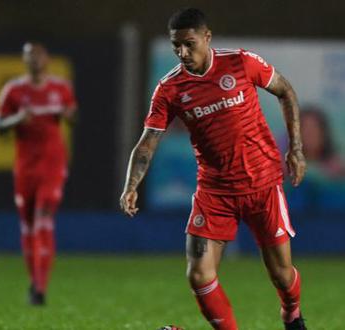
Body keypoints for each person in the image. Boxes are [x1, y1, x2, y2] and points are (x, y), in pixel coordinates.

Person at [120, 8, 307, 330]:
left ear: (207, 37)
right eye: (175, 46)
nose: (182, 52)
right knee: (198, 273)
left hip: (262, 183)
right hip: (214, 192)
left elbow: (286, 91)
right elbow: (148, 141)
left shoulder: (241, 62)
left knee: (281, 273)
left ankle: (291, 313)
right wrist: (131, 184)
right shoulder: (170, 89)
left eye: (189, 44)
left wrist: (296, 149)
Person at [0, 42, 77, 306]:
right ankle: (35, 281)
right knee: (29, 225)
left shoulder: (60, 88)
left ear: (46, 59)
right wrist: (17, 119)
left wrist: (69, 114)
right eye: (29, 57)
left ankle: (40, 287)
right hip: (25, 167)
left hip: (52, 164)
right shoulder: (14, 90)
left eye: (38, 56)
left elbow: (73, 115)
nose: (34, 61)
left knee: (44, 220)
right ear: (24, 60)